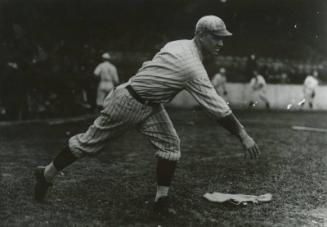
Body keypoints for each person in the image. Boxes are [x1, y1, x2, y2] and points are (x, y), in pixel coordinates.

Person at [33, 15, 260, 215]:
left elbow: (147, 65)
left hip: (150, 104)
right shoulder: (192, 67)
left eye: (222, 37)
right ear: (201, 35)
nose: (221, 43)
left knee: (171, 147)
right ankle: (47, 174)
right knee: (87, 144)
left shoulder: (178, 44)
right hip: (128, 102)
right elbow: (217, 107)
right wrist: (243, 135)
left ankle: (161, 201)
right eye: (216, 37)